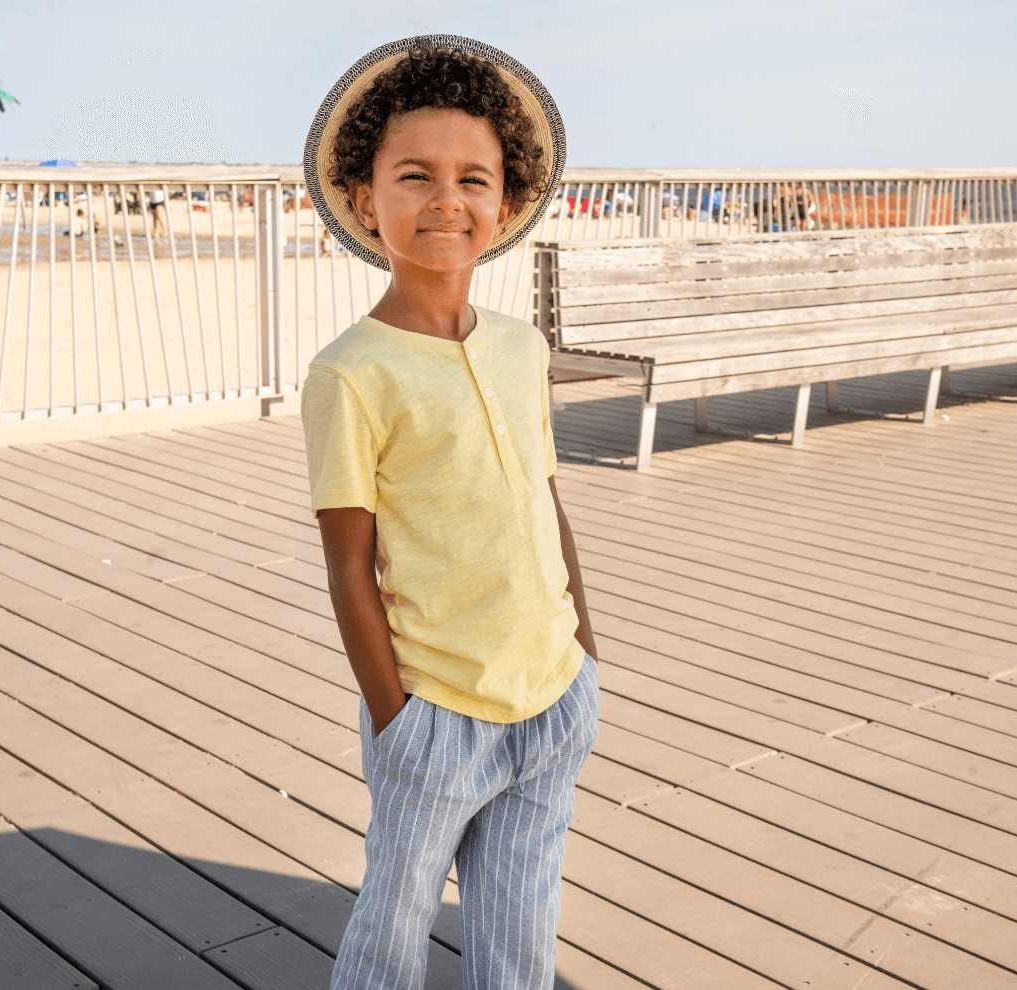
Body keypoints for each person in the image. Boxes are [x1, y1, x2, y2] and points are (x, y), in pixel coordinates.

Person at [301, 38, 594, 990]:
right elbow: (350, 567)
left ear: (503, 205)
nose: (446, 200)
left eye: (474, 179)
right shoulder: (353, 373)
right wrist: (398, 721)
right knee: (392, 932)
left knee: (522, 942)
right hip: (437, 715)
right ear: (363, 196)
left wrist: (584, 649)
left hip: (552, 697)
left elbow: (546, 499)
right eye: (415, 175)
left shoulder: (519, 346)